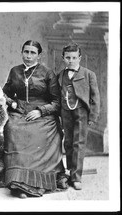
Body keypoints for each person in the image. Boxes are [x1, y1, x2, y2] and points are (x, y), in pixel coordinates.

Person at [3, 40, 67, 198]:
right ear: (22, 52)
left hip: (42, 113)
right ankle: (18, 180)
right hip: (19, 110)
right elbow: (4, 93)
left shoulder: (47, 72)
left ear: (39, 55)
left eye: (32, 53)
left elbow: (57, 102)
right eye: (26, 52)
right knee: (13, 128)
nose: (29, 56)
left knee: (38, 133)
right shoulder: (15, 71)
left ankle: (31, 183)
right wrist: (11, 102)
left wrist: (40, 111)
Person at [58, 43, 100, 190]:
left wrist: (93, 116)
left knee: (79, 143)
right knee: (68, 142)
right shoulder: (61, 75)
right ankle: (70, 171)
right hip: (65, 113)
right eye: (68, 57)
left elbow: (95, 98)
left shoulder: (89, 74)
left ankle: (76, 177)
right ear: (63, 58)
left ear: (80, 58)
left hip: (81, 112)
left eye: (74, 57)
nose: (71, 60)